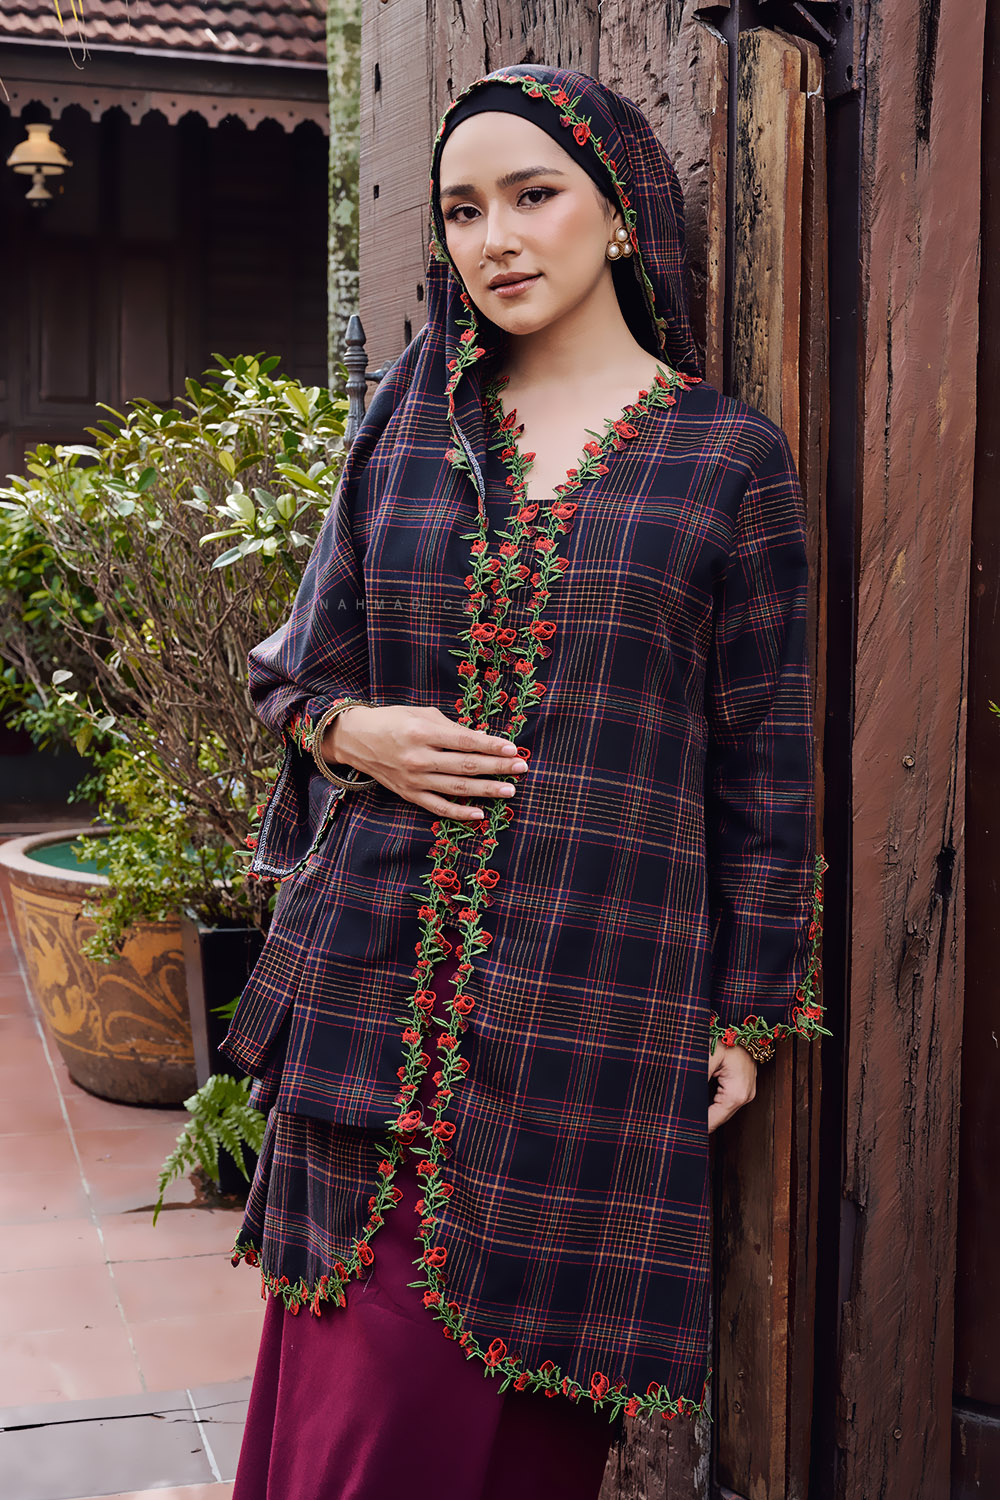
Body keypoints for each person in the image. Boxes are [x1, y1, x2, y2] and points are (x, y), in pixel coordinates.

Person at [222, 62, 823, 1500]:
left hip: (591, 1020)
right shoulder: (410, 426)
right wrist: (357, 733)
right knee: (357, 1424)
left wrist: (747, 1016)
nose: (494, 238)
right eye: (463, 210)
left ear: (617, 211)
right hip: (373, 1002)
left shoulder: (726, 464)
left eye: (532, 195)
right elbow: (293, 674)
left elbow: (767, 767)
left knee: (524, 1449)